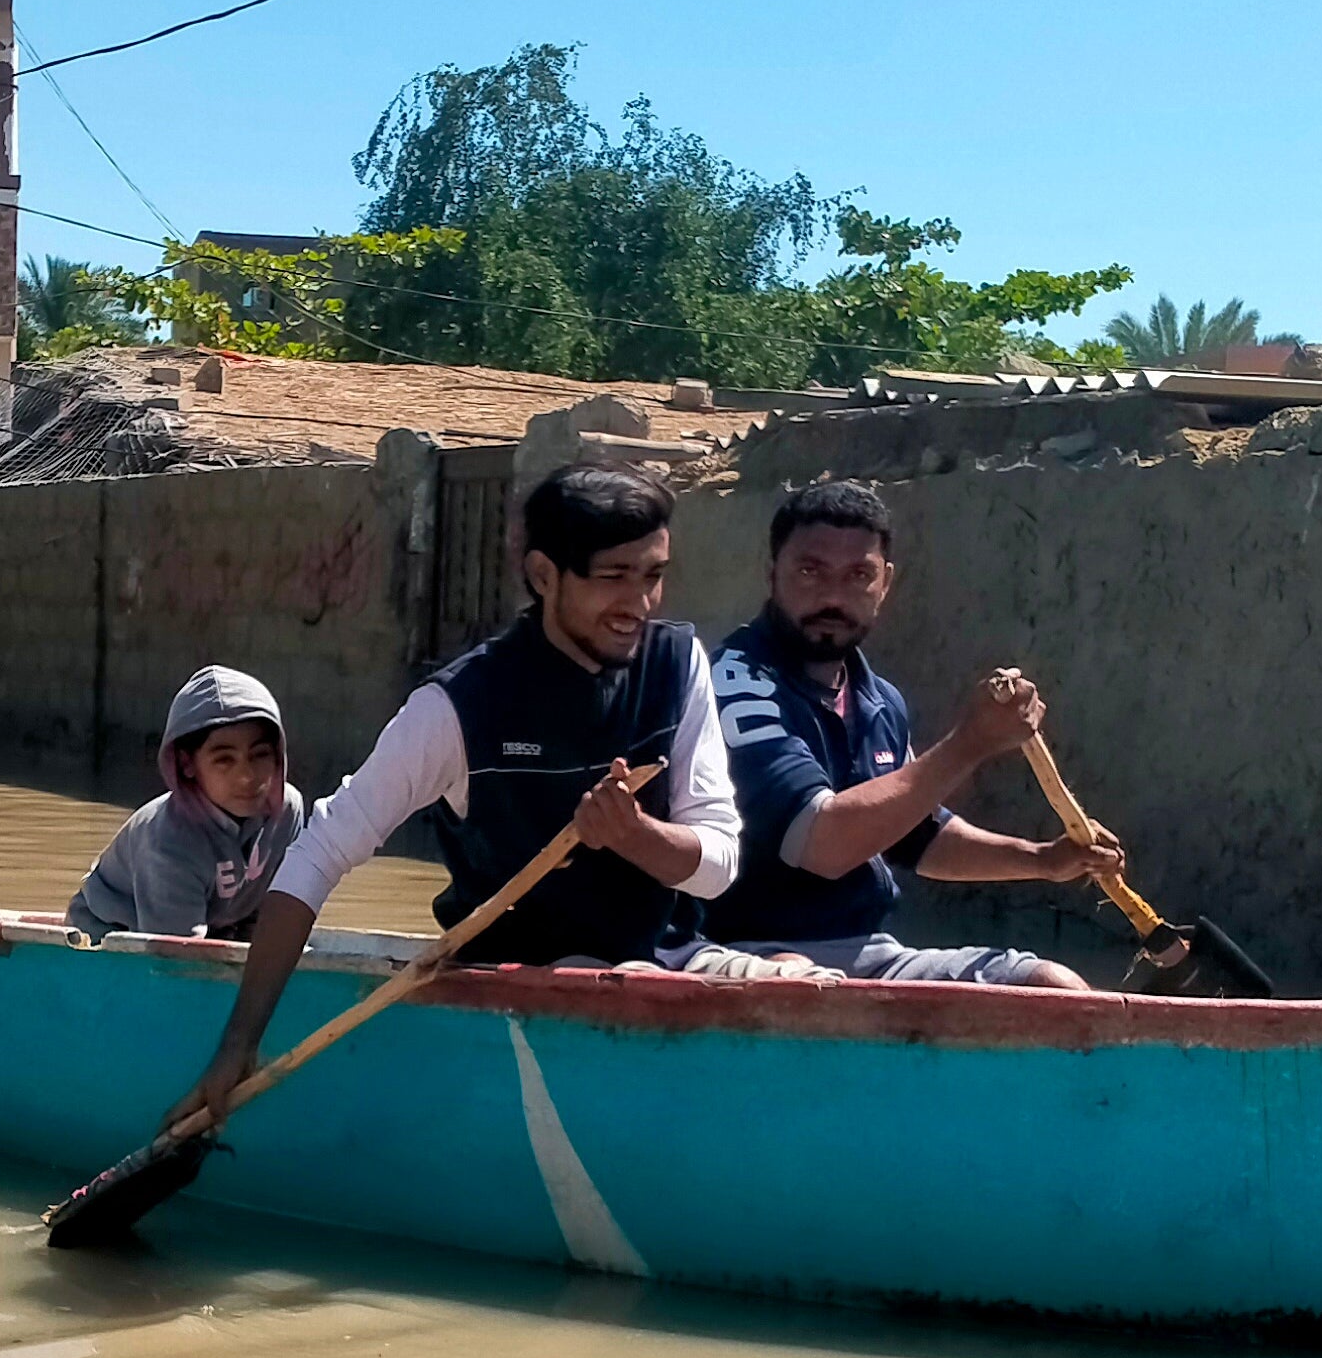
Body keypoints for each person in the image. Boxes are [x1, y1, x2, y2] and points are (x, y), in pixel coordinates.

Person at [169, 462, 739, 1122]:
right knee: (636, 988)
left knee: (798, 973)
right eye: (612, 578)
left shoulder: (678, 665)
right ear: (544, 576)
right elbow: (315, 857)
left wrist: (635, 836)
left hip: (672, 960)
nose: (638, 605)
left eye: (653, 576)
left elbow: (717, 869)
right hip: (528, 977)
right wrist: (239, 1044)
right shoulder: (457, 708)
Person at [705, 478, 1125, 988]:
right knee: (798, 986)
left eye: (859, 574)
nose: (834, 596)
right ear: (772, 574)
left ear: (886, 583)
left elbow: (913, 833)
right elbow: (822, 845)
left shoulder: (878, 699)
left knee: (1055, 989)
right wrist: (969, 744)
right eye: (811, 571)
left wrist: (1044, 860)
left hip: (864, 950)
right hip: (745, 954)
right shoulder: (737, 685)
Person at [67, 665, 306, 941]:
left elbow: (270, 909)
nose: (247, 776)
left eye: (260, 755)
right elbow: (175, 957)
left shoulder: (287, 814)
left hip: (214, 925)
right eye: (224, 759)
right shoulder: (169, 842)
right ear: (187, 764)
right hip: (112, 932)